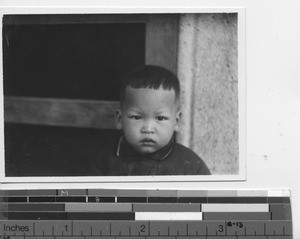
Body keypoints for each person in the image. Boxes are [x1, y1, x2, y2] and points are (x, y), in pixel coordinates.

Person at [90, 65, 211, 176]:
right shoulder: (105, 161)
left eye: (160, 118)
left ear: (177, 121)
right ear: (120, 119)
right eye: (137, 117)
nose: (148, 129)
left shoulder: (191, 166)